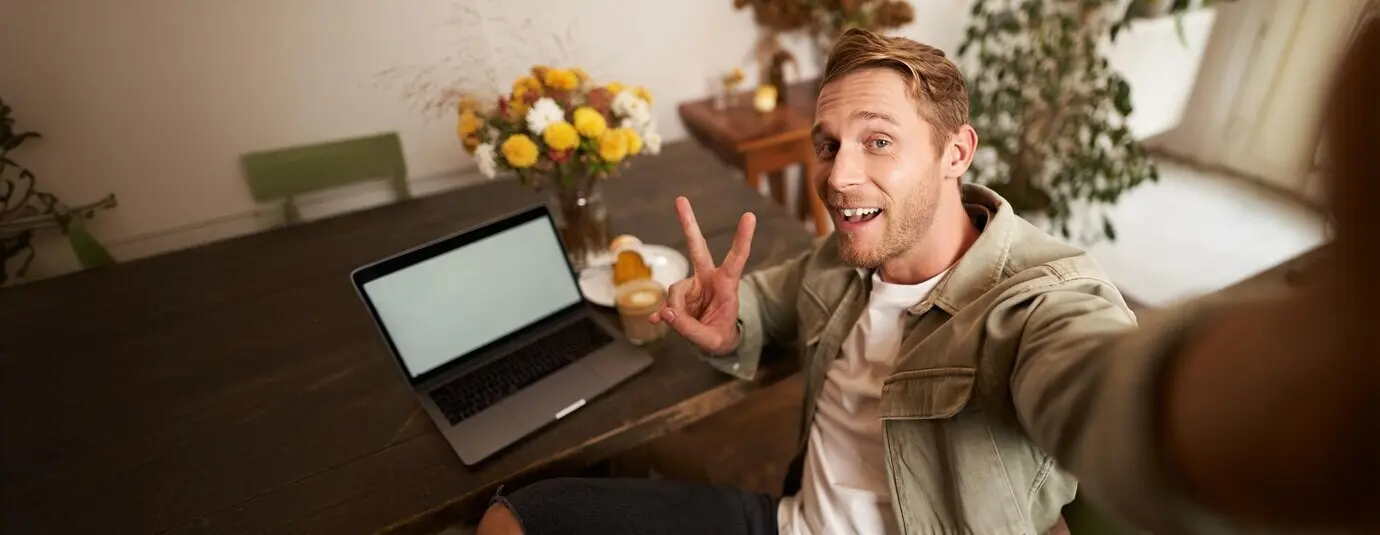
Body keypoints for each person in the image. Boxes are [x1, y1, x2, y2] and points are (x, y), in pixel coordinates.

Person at [477, 21, 1380, 535]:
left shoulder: (1036, 299)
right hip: (789, 525)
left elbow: (1100, 388)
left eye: (877, 141)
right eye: (829, 145)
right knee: (519, 517)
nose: (836, 176)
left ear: (957, 153)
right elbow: (776, 299)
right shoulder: (844, 257)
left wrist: (1307, 375)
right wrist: (733, 318)